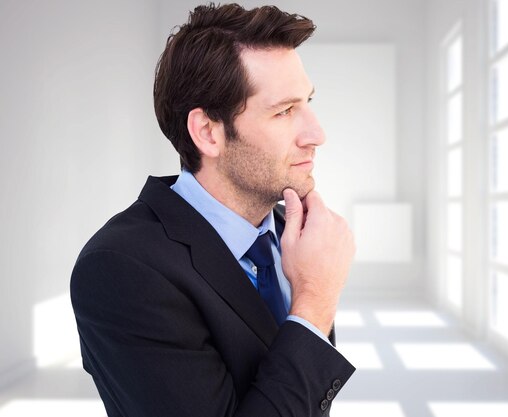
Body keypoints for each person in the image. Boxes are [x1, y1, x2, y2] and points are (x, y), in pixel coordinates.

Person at [70, 3, 356, 417]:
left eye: (307, 102)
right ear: (208, 132)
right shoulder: (120, 269)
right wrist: (314, 301)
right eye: (284, 111)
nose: (317, 134)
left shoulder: (293, 238)